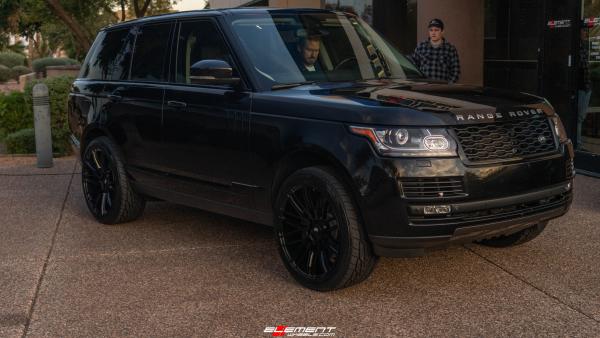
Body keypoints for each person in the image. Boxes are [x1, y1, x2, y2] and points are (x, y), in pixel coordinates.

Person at [411, 18, 461, 83]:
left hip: (442, 88)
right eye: (431, 30)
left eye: (436, 30)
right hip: (424, 87)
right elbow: (414, 68)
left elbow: (456, 71)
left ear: (442, 31)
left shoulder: (450, 48)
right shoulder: (421, 46)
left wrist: (449, 85)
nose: (433, 33)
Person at [577, 27, 592, 150]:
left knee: (581, 116)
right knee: (579, 117)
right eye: (584, 31)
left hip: (586, 87)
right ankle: (578, 143)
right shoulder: (578, 48)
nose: (586, 33)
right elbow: (582, 66)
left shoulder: (585, 47)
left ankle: (578, 142)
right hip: (582, 87)